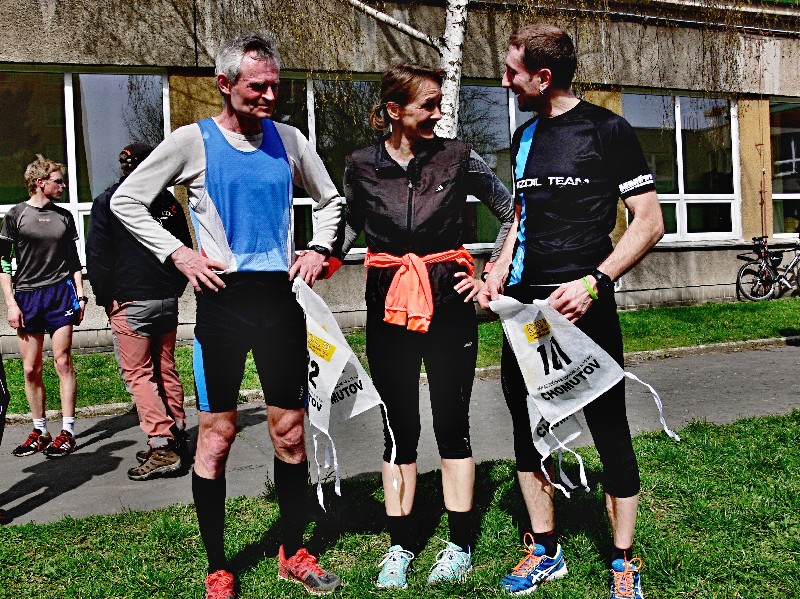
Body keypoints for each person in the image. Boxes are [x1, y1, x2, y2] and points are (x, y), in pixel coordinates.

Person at [109, 32, 343, 598]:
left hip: (280, 301)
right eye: (257, 86)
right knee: (217, 436)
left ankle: (293, 552)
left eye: (275, 86)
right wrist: (179, 253)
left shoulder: (289, 140)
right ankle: (219, 566)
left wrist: (319, 247)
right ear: (225, 84)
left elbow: (332, 199)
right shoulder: (192, 141)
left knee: (290, 434)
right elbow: (125, 200)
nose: (269, 96)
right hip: (223, 304)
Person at [477, 24, 664, 599]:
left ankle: (623, 560)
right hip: (527, 313)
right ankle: (545, 550)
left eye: (512, 72)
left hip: (586, 306)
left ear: (543, 76)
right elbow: (519, 219)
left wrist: (594, 282)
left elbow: (650, 222)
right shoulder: (524, 136)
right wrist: (496, 272)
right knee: (526, 428)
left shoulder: (609, 130)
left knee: (610, 430)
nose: (504, 82)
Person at [326, 63, 514, 589]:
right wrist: (320, 257)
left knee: (452, 423)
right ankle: (401, 545)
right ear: (394, 110)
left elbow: (510, 210)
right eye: (427, 104)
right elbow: (347, 226)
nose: (438, 113)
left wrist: (492, 272)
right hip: (389, 307)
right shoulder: (360, 164)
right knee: (398, 428)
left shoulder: (459, 156)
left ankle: (460, 544)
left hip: (450, 303)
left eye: (439, 103)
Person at [87, 143, 193, 481]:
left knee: (139, 374)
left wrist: (108, 299)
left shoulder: (109, 201)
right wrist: (174, 289)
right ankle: (177, 434)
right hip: (164, 300)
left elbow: (97, 256)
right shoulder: (166, 202)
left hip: (130, 301)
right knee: (164, 368)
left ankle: (162, 444)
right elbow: (184, 248)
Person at [0, 155, 86, 459]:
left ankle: (68, 431)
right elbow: (3, 263)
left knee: (62, 362)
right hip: (27, 297)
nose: (63, 186)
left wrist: (81, 296)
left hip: (60, 295)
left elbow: (74, 261)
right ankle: (40, 431)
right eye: (58, 181)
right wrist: (11, 303)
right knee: (30, 368)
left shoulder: (64, 217)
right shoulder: (15, 215)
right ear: (40, 182)